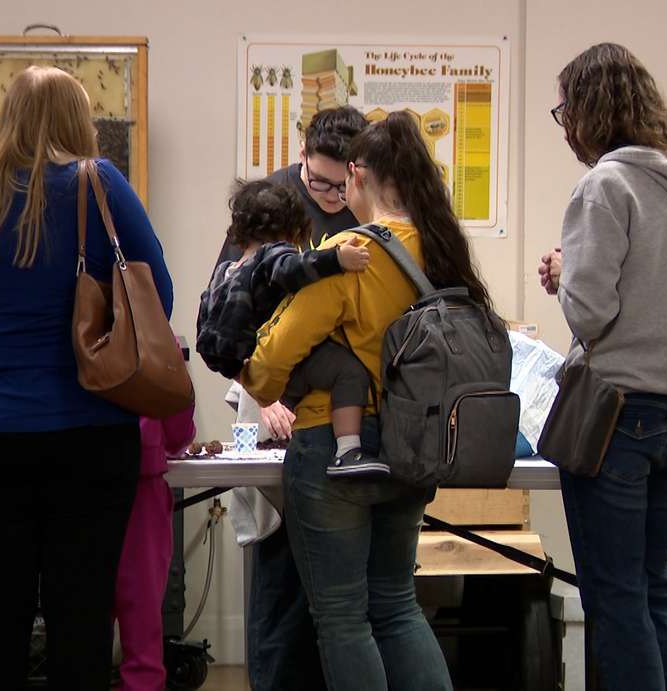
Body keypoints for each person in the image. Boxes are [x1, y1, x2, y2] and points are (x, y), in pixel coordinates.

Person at [0, 65, 173, 690]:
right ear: (79, 120)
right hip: (88, 431)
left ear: (6, 116)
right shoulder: (100, 183)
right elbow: (158, 298)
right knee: (81, 618)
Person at [241, 111, 490, 690]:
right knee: (397, 605)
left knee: (342, 617)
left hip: (334, 451)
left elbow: (273, 360)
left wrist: (251, 368)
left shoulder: (350, 251)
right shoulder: (441, 247)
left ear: (358, 176)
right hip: (413, 443)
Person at [537, 43, 667, 691]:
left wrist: (565, 273)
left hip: (615, 418)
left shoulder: (606, 185)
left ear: (588, 110)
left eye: (565, 111)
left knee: (616, 598)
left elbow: (589, 314)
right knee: (653, 586)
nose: (565, 126)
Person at [219, 106, 367, 691]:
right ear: (301, 156)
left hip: (344, 412)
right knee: (283, 584)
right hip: (280, 404)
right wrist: (263, 395)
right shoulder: (273, 201)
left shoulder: (367, 201)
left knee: (339, 594)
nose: (332, 197)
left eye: (342, 185)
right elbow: (231, 304)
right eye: (319, 183)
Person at [199, 179, 386, 477]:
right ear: (292, 229)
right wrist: (338, 258)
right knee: (350, 371)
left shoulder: (226, 271)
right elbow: (296, 267)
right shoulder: (272, 255)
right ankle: (348, 449)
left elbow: (205, 324)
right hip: (277, 363)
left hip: (243, 370)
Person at [114, 398, 196, 691]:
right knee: (143, 638)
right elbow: (177, 429)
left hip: (73, 476)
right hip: (140, 474)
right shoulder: (157, 356)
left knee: (78, 636)